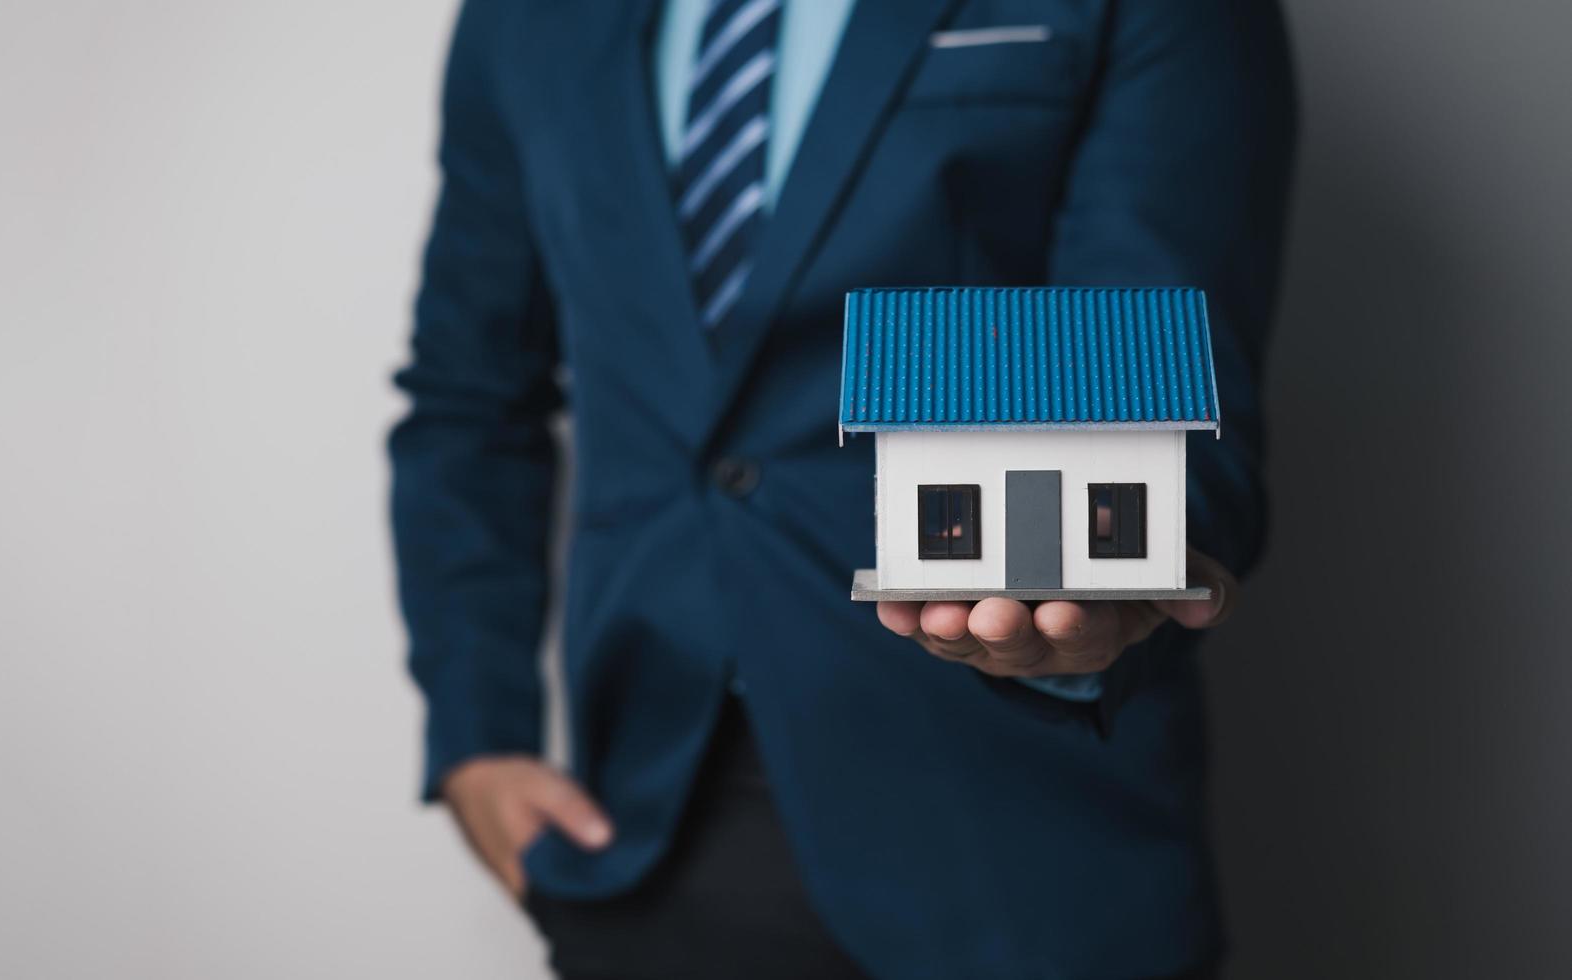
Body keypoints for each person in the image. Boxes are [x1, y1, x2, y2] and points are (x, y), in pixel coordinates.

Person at [388, 0, 1294, 976]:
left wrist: (1112, 584)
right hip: (645, 826)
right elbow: (469, 398)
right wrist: (475, 734)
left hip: (1017, 829)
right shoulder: (523, 20)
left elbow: (1172, 381)